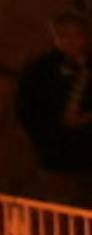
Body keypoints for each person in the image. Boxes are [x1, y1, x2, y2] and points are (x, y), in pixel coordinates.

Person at [16, 12, 92, 198]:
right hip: (58, 159)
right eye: (65, 35)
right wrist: (55, 126)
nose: (73, 41)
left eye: (77, 34)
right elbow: (28, 111)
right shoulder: (40, 71)